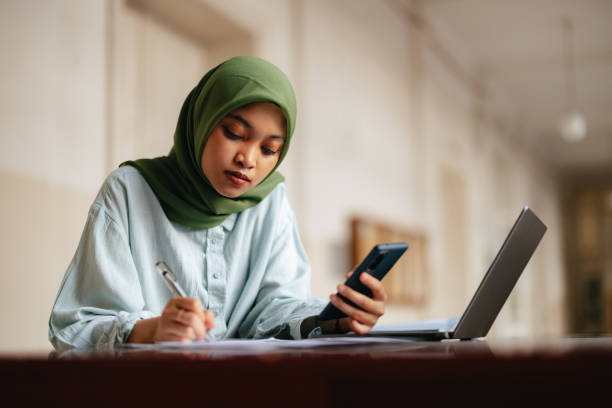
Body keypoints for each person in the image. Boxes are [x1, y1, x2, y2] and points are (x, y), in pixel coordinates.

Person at [48, 56, 387, 350]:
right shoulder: (129, 191)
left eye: (269, 149)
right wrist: (151, 330)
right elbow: (74, 330)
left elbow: (275, 310)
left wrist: (336, 319)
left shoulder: (271, 202)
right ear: (202, 121)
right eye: (234, 133)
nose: (248, 159)